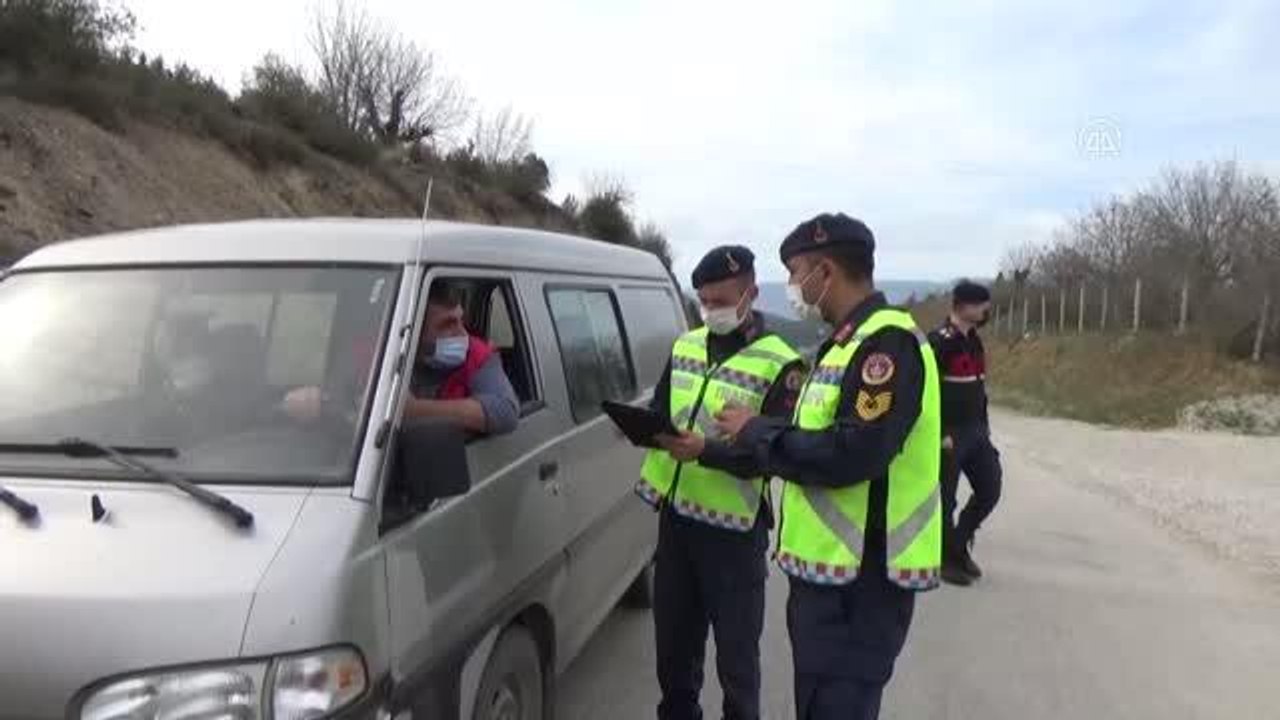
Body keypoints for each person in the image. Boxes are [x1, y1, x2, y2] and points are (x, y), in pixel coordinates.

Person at [714, 214, 942, 720]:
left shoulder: (886, 345)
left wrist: (758, 431)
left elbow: (853, 452)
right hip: (829, 581)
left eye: (796, 273)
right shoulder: (843, 344)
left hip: (860, 585)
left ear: (826, 272)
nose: (793, 287)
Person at [637, 245, 805, 720]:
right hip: (676, 523)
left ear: (751, 292)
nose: (712, 310)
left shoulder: (782, 364)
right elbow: (661, 407)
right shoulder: (686, 345)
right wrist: (639, 426)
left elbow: (775, 454)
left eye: (722, 300)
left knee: (736, 664)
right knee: (673, 653)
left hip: (733, 535)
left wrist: (705, 451)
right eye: (704, 301)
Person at [283, 281, 519, 436]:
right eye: (448, 325)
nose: (462, 333)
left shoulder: (477, 355)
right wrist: (315, 403)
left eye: (460, 320)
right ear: (413, 332)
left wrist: (413, 410)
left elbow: (505, 411)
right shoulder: (369, 354)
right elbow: (331, 399)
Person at [929, 280, 1002, 586]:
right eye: (981, 304)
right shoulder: (939, 341)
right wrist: (938, 431)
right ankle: (947, 560)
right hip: (949, 433)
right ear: (962, 306)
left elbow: (978, 387)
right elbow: (927, 392)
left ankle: (960, 543)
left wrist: (984, 426)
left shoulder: (975, 341)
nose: (986, 309)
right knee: (946, 499)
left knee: (990, 487)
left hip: (975, 430)